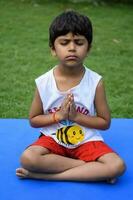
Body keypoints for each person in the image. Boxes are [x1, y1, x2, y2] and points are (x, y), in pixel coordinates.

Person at [16, 10, 126, 183]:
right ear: (53, 49)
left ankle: (42, 176)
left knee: (117, 166)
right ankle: (90, 169)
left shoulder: (95, 82)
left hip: (86, 141)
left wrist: (76, 117)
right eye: (64, 42)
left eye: (79, 42)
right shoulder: (44, 82)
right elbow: (34, 119)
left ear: (88, 48)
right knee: (28, 158)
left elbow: (104, 122)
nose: (72, 48)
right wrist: (58, 116)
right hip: (53, 139)